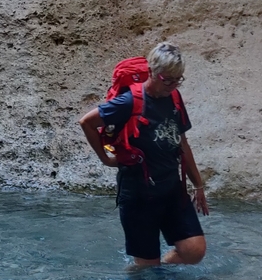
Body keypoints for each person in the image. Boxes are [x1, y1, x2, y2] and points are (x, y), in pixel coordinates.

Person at [78, 42, 210, 268]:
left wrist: (198, 185)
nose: (172, 85)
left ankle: (163, 267)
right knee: (148, 266)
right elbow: (87, 122)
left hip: (171, 189)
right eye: (167, 79)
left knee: (194, 251)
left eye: (177, 79)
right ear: (152, 72)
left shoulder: (175, 99)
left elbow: (182, 143)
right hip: (139, 195)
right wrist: (106, 159)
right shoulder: (129, 102)